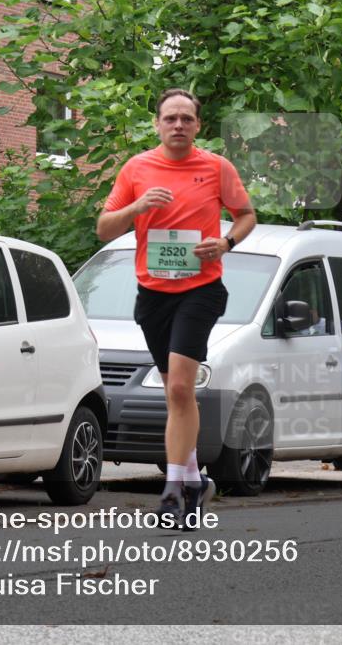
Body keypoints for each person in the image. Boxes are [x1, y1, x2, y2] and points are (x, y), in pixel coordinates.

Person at [96, 88, 257, 529]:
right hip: (152, 295)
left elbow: (246, 215)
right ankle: (193, 481)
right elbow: (103, 228)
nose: (179, 125)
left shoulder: (216, 167)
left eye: (187, 118)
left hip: (200, 289)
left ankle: (169, 490)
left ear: (198, 126)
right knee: (173, 394)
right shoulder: (137, 168)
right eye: (171, 118)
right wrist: (137, 205)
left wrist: (225, 242)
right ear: (158, 124)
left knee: (182, 390)